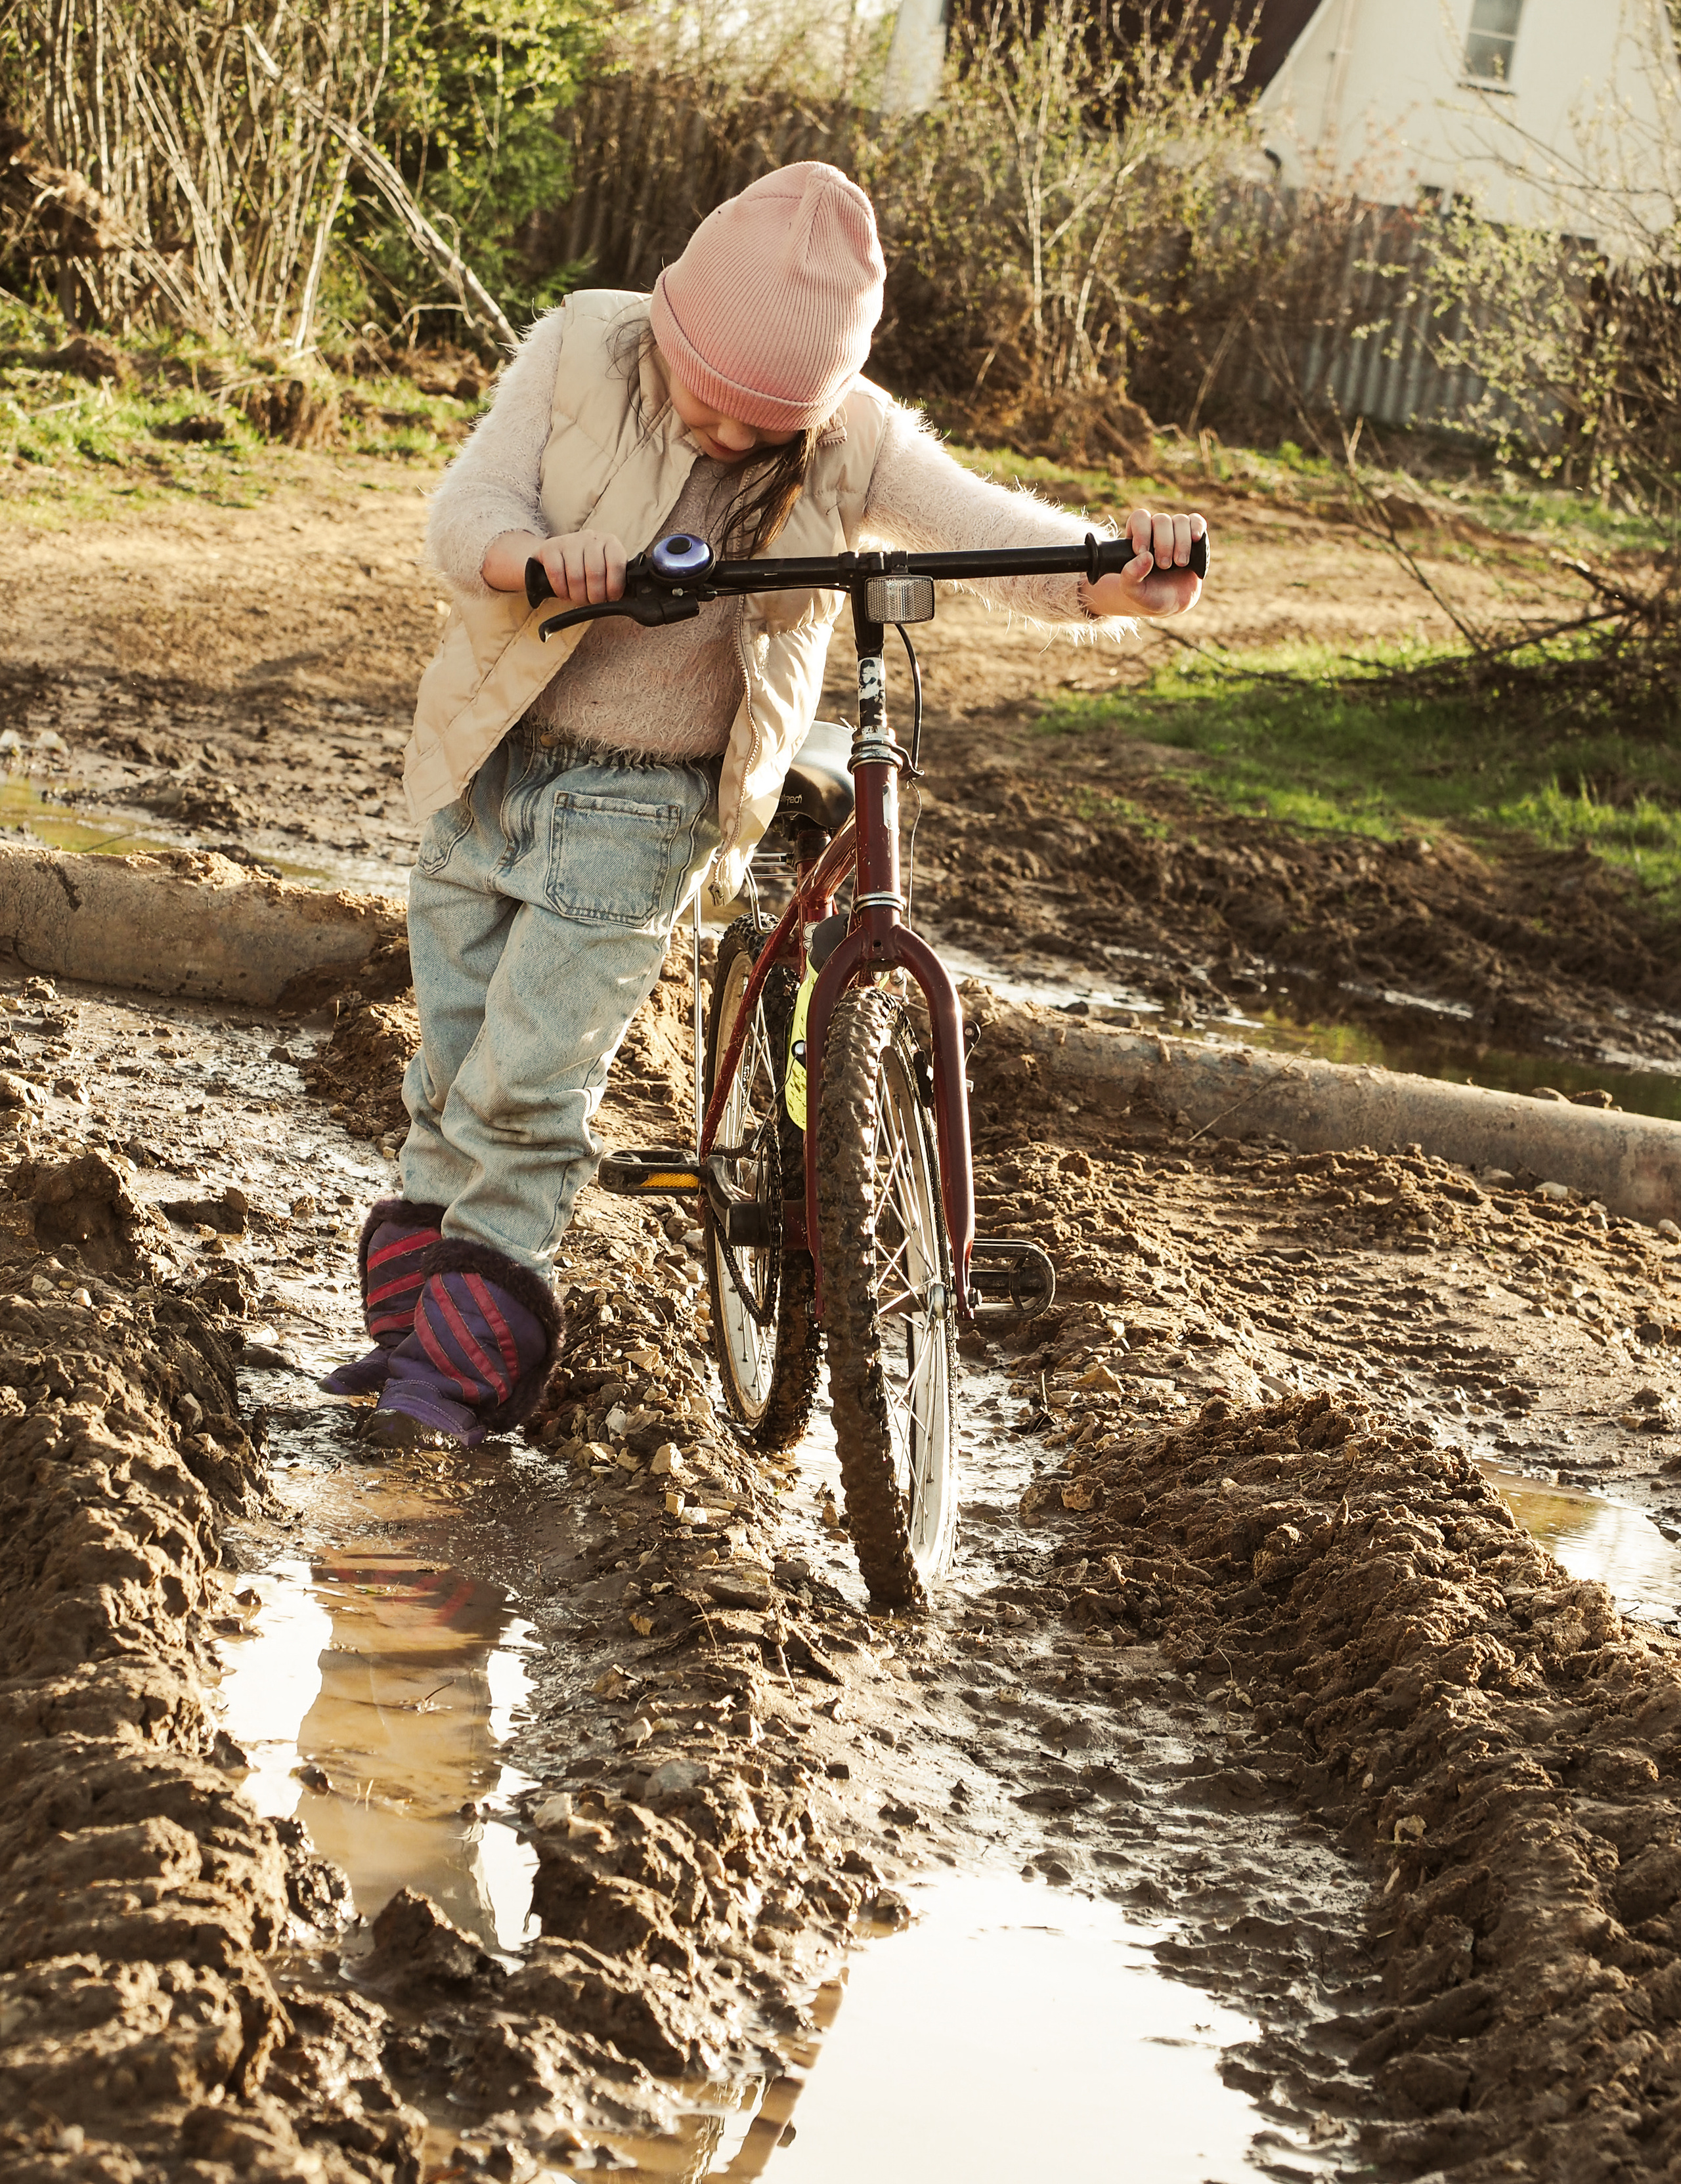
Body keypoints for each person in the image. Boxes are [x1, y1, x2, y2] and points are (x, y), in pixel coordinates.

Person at [326, 160, 1206, 1447]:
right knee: (446, 1072)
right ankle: (405, 1337)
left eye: (764, 426)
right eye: (712, 404)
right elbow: (464, 514)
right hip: (490, 759)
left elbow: (981, 528)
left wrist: (1114, 579)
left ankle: (460, 1379)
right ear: (670, 323)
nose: (732, 441)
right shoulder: (580, 347)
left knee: (522, 1090)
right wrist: (539, 558)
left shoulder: (852, 439)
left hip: (638, 815)